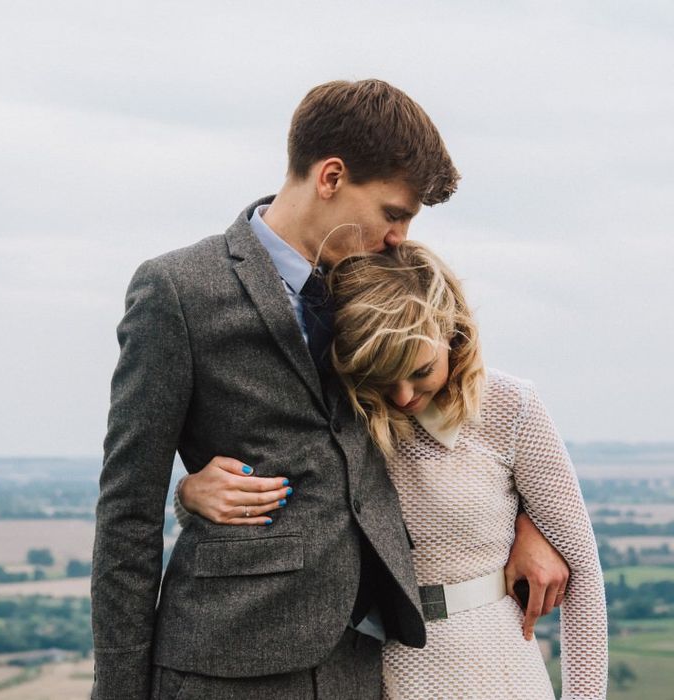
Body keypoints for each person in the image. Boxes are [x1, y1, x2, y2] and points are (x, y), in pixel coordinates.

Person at [90, 79, 569, 700]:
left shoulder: (382, 285)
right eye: (393, 213)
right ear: (332, 176)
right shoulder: (179, 290)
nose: (400, 236)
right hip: (224, 662)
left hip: (362, 664)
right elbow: (127, 511)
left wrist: (528, 516)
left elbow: (459, 410)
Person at [177, 241, 608, 699]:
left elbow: (583, 577)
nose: (402, 396)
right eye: (383, 375)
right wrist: (189, 494)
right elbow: (279, 510)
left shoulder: (509, 406)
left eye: (420, 371)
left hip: (493, 668)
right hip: (364, 672)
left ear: (452, 331)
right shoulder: (339, 413)